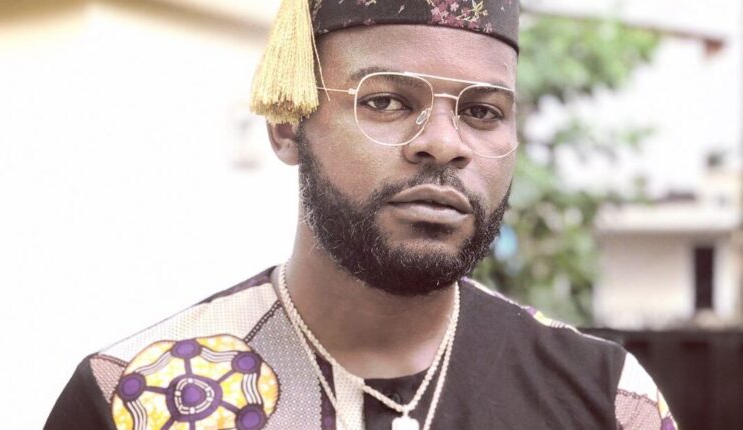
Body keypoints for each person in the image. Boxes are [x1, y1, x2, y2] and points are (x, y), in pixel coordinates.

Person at [46, 0, 678, 429]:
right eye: (386, 101)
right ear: (287, 124)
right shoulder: (135, 398)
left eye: (482, 112)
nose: (444, 144)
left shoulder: (605, 399)